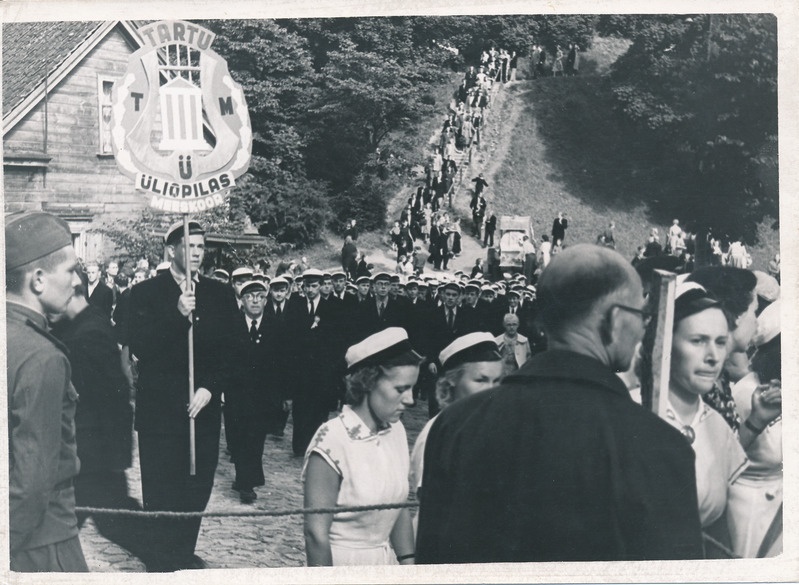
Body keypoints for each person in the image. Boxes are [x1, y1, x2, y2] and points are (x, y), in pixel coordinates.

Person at [416, 244, 704, 563]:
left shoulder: (455, 423)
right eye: (641, 315)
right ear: (615, 319)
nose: (642, 328)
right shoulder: (662, 447)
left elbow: (432, 563)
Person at [127, 220, 239, 571]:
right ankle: (161, 559)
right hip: (160, 413)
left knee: (196, 487)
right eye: (189, 246)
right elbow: (142, 347)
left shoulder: (220, 294)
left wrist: (210, 387)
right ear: (171, 250)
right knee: (161, 488)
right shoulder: (145, 292)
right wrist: (176, 315)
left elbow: (234, 351)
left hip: (201, 411)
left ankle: (182, 551)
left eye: (201, 247)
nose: (196, 253)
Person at [6, 211, 88, 572]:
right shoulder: (41, 356)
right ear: (38, 279)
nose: (76, 281)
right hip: (40, 544)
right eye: (70, 270)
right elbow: (33, 481)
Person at [303, 328, 421, 566]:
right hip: (342, 565)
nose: (410, 400)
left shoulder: (395, 430)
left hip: (384, 564)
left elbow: (397, 507)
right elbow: (316, 535)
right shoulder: (332, 438)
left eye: (412, 388)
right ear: (368, 381)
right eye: (401, 389)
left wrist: (409, 567)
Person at [659, 283, 748, 528]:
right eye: (698, 341)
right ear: (667, 343)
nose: (713, 357)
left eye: (720, 342)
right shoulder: (632, 410)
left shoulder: (719, 428)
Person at [409, 333, 503, 527]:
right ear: (452, 381)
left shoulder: (494, 429)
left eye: (497, 381)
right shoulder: (437, 432)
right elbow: (432, 508)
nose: (491, 390)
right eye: (481, 380)